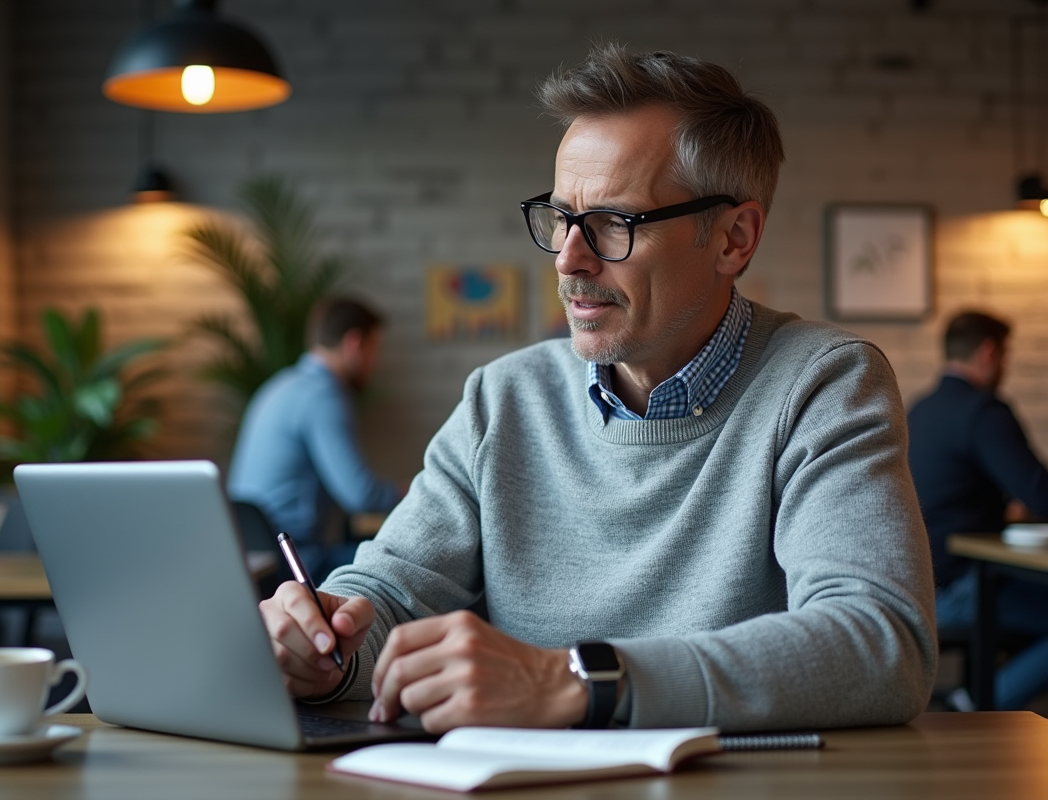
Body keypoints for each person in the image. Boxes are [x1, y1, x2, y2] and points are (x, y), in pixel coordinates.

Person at [260, 44, 936, 734]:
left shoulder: (823, 383)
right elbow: (391, 592)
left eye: (616, 223)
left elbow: (881, 642)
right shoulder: (503, 398)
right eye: (562, 218)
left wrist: (579, 681)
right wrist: (328, 646)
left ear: (734, 238)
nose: (569, 259)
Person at [907, 310, 1048, 711]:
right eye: (1006, 354)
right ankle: (977, 702)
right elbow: (1040, 494)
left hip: (920, 585)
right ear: (988, 352)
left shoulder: (920, 409)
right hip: (964, 589)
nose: (1005, 365)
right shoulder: (982, 411)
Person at [226, 297, 403, 583]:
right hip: (296, 564)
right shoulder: (323, 395)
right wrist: (415, 490)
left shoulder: (279, 385)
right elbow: (361, 495)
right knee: (405, 564)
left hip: (254, 557)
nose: (375, 363)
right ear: (354, 343)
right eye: (374, 350)